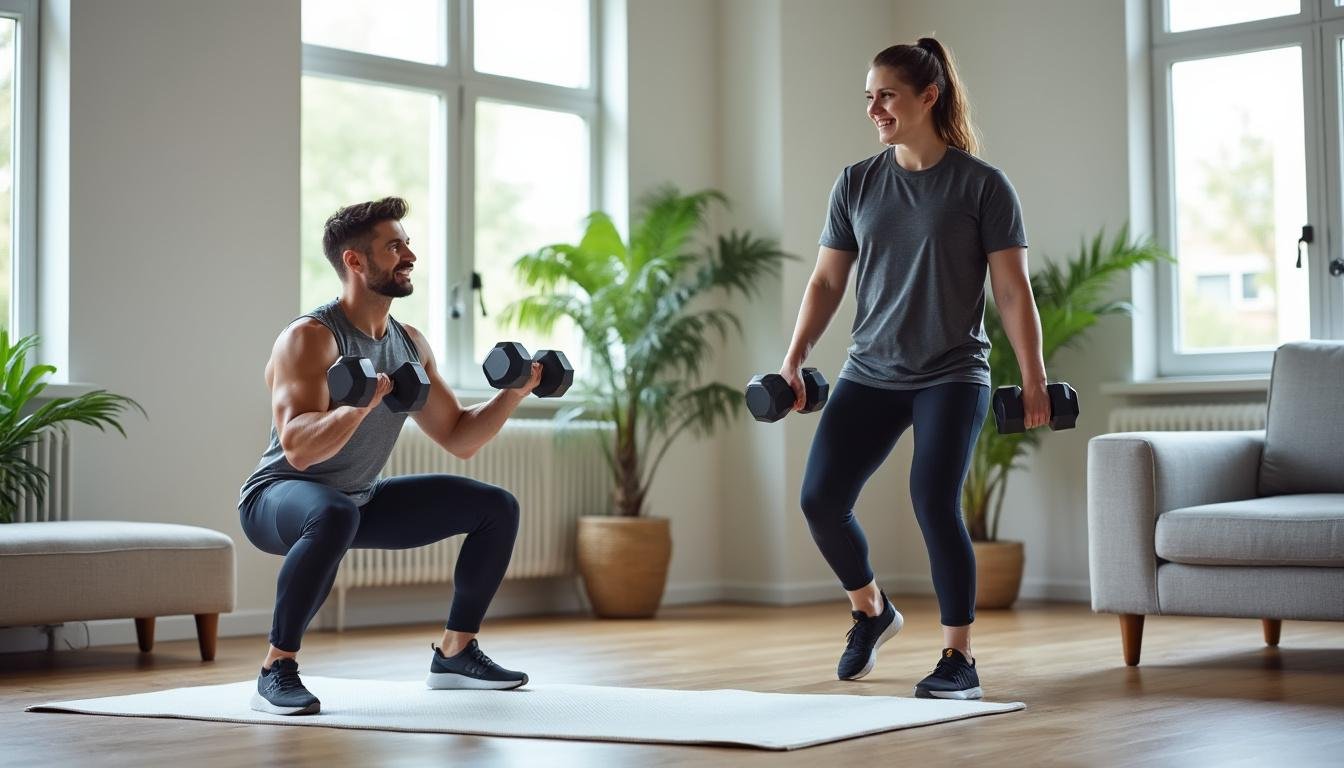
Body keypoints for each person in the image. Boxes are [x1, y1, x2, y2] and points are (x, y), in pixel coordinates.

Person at [779, 38, 1049, 700]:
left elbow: (1012, 291)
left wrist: (1036, 377)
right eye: (868, 96)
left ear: (929, 97)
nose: (874, 108)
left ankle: (959, 658)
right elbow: (824, 283)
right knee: (819, 499)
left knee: (932, 499)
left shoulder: (982, 185)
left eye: (887, 95)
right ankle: (871, 609)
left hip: (952, 373)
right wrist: (794, 358)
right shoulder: (857, 181)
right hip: (870, 369)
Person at [238, 197, 541, 715]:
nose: (409, 256)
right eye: (394, 246)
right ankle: (276, 667)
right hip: (277, 498)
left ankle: (456, 654)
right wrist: (358, 407)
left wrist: (513, 394)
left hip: (359, 500)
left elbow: (460, 437)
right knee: (331, 511)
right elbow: (298, 448)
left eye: (407, 244)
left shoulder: (410, 343)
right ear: (354, 262)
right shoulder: (310, 338)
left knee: (496, 506)